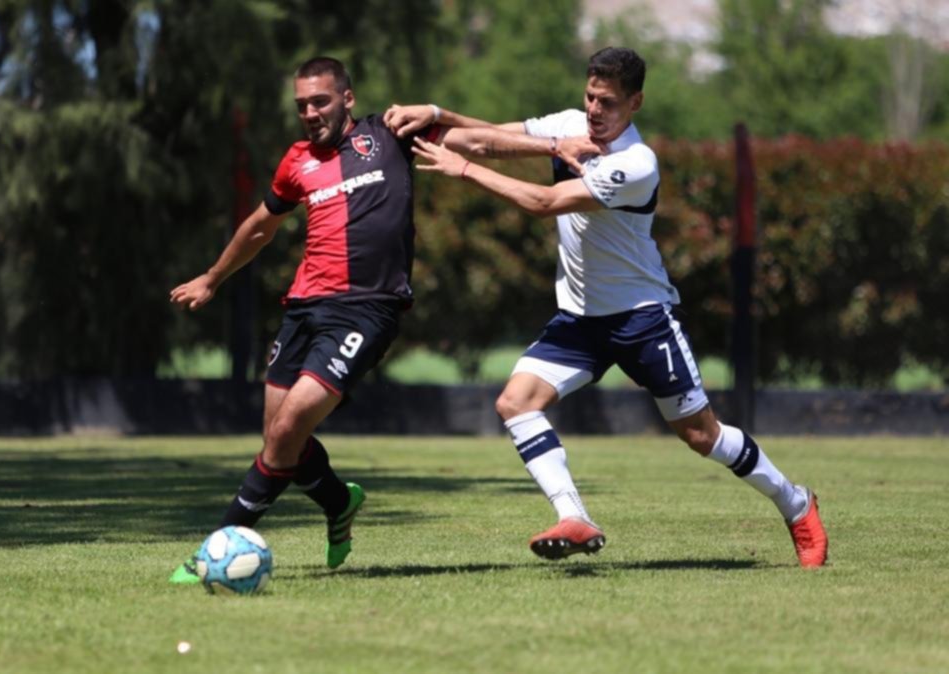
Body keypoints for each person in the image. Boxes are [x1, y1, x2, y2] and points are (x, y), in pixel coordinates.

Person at [385, 47, 829, 568]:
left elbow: (543, 203)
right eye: (591, 97)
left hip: (642, 316)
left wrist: (463, 169)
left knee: (701, 435)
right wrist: (435, 118)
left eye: (610, 103)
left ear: (636, 102)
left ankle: (796, 504)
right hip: (580, 317)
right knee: (516, 402)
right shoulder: (569, 126)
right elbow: (485, 138)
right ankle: (573, 516)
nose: (596, 111)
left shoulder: (635, 164)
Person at [167, 57, 596, 583]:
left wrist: (556, 145)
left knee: (286, 431)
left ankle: (213, 548)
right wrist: (212, 278)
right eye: (301, 105)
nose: (309, 112)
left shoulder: (390, 133)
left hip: (369, 307)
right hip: (303, 308)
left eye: (320, 101)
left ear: (347, 98)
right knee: (282, 442)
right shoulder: (297, 160)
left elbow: (477, 142)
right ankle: (336, 501)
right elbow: (261, 225)